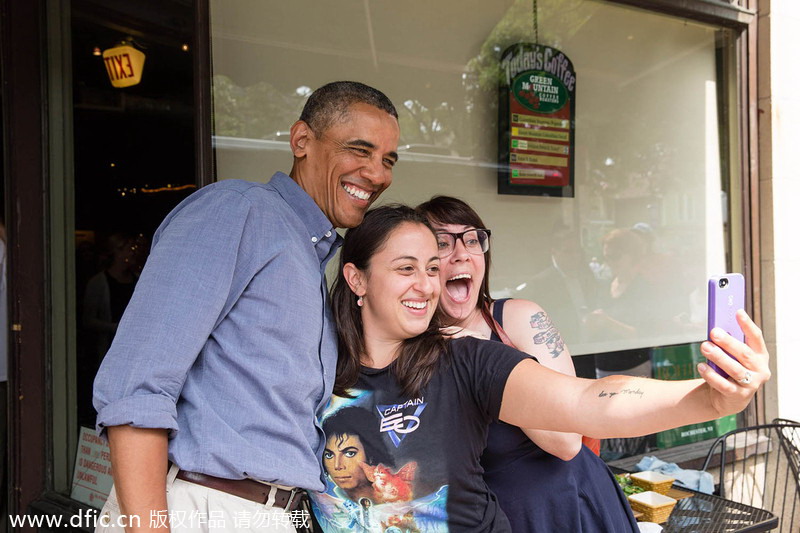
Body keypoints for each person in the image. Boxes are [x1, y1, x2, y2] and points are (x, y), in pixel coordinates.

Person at [309, 204, 769, 532]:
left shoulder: (463, 359)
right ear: (356, 279)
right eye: (406, 268)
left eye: (432, 268)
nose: (426, 284)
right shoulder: (314, 373)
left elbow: (588, 401)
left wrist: (708, 398)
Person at [92, 81, 400, 532]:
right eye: (360, 150)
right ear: (302, 141)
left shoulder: (310, 256)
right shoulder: (237, 212)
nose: (377, 174)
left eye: (388, 160)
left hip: (271, 513)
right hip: (199, 507)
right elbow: (137, 391)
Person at [416, 196, 634, 531]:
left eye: (472, 239)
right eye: (442, 243)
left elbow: (566, 442)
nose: (462, 253)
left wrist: (479, 358)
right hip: (486, 519)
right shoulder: (411, 351)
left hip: (566, 505)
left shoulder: (519, 318)